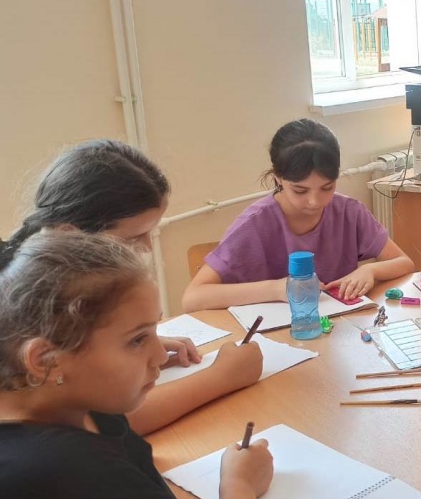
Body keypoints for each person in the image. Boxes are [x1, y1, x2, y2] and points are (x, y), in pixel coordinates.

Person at [0, 140, 263, 436]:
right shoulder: (27, 307)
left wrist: (129, 349)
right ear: (70, 235)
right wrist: (221, 377)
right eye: (132, 238)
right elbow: (106, 421)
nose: (147, 248)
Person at [0, 230, 274, 499]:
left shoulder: (73, 398)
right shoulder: (70, 469)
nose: (160, 356)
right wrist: (240, 485)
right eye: (137, 339)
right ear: (47, 360)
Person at [183, 118, 414, 311]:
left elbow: (404, 262)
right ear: (278, 178)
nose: (315, 201)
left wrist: (370, 270)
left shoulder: (348, 212)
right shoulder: (254, 224)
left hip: (339, 331)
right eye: (300, 190)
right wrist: (276, 289)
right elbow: (193, 298)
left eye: (327, 187)